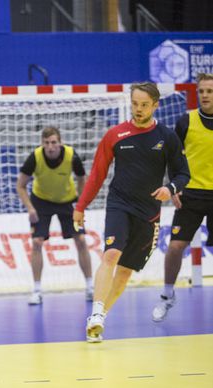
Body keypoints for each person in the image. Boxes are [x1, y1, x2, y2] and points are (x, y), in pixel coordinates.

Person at [73, 82, 190, 343]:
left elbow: (183, 174)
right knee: (111, 254)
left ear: (155, 105)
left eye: (144, 105)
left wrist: (170, 188)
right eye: (135, 104)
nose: (138, 109)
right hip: (119, 204)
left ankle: (98, 321)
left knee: (125, 272)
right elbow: (97, 175)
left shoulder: (166, 137)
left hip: (149, 213)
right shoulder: (115, 135)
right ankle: (96, 314)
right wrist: (80, 206)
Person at [153, 73, 213, 321]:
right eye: (201, 91)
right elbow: (172, 157)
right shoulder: (186, 121)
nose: (205, 95)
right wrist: (174, 187)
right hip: (191, 193)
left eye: (209, 91)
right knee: (176, 246)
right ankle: (168, 296)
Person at [16, 126, 93, 305]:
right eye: (47, 143)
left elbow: (82, 178)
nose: (50, 146)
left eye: (54, 142)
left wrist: (81, 204)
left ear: (60, 142)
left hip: (67, 200)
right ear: (42, 144)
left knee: (81, 240)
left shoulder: (71, 156)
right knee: (36, 242)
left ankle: (90, 287)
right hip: (41, 201)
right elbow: (20, 185)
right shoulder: (34, 158)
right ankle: (36, 290)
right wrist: (30, 208)